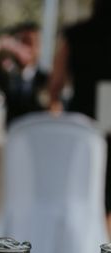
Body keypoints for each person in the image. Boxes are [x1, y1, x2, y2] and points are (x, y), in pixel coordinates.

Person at [49, 0, 111, 222]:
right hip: (106, 108)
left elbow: (55, 84)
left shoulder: (76, 34)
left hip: (81, 117)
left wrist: (55, 115)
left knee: (81, 187)